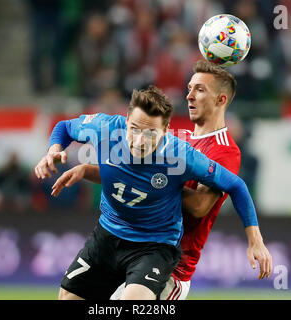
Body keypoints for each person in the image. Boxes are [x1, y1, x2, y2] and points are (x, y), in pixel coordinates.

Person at [51, 60, 273, 300]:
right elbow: (133, 176)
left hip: (172, 264)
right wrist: (89, 170)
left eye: (199, 89)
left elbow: (199, 206)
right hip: (121, 241)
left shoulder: (222, 150)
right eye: (189, 88)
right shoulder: (180, 138)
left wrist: (255, 240)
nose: (189, 96)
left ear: (221, 100)